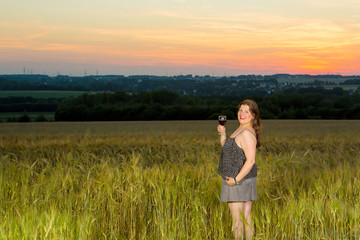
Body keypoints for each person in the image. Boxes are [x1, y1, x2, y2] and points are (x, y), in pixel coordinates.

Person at [217, 99, 262, 240]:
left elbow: (251, 161)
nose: (242, 113)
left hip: (238, 180)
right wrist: (223, 134)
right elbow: (228, 148)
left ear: (253, 115)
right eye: (240, 110)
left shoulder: (247, 134)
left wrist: (235, 180)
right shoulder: (241, 129)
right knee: (246, 218)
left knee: (238, 221)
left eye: (246, 111)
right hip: (241, 179)